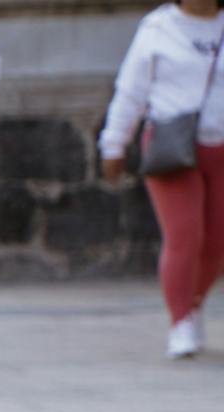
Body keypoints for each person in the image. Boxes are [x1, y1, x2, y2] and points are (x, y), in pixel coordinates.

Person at [100, 0, 224, 359]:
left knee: (217, 241)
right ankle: (180, 320)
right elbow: (131, 90)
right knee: (185, 234)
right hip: (172, 145)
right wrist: (114, 144)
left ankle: (195, 302)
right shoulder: (158, 29)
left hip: (220, 145)